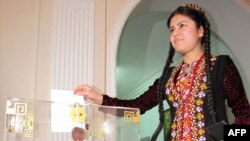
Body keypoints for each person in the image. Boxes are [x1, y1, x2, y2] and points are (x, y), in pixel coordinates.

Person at [73, 3, 250, 141]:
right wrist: (101, 99)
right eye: (172, 29)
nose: (175, 33)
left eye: (182, 26)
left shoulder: (221, 66)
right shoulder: (169, 76)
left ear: (201, 30)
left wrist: (226, 136)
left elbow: (245, 115)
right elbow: (138, 105)